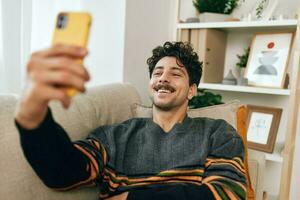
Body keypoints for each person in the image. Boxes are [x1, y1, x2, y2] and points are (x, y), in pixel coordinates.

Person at [15, 41, 247, 200]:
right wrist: (33, 117)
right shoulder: (114, 137)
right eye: (157, 73)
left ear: (191, 91)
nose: (163, 79)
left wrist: (131, 197)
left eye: (176, 74)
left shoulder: (217, 133)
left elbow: (228, 193)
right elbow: (63, 173)